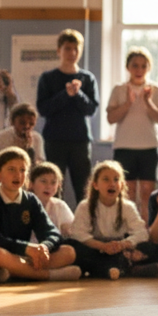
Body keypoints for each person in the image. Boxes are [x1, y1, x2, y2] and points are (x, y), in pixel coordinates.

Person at [0, 147, 80, 283]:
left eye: (22, 170)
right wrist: (25, 248)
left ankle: (17, 273)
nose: (17, 175)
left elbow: (52, 232)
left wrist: (44, 247)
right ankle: (48, 275)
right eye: (11, 169)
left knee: (68, 252)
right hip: (4, 254)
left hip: (25, 257)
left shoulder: (31, 200)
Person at [107, 47, 158, 223]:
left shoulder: (155, 90)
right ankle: (130, 229)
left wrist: (148, 102)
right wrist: (128, 103)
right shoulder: (119, 89)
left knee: (148, 192)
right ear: (128, 67)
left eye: (143, 66)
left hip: (149, 147)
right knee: (128, 192)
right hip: (124, 147)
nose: (139, 70)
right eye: (135, 65)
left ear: (149, 68)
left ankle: (147, 230)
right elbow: (111, 118)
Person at [36, 29, 99, 200]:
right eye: (67, 48)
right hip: (55, 140)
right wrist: (65, 94)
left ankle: (85, 218)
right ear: (59, 50)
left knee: (84, 189)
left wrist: (78, 94)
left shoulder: (88, 79)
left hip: (80, 141)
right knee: (53, 188)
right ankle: (54, 217)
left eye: (76, 49)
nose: (72, 53)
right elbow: (43, 109)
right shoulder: (48, 78)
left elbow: (91, 110)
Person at [70, 161, 158, 280]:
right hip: (95, 248)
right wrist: (102, 246)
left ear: (121, 185)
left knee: (148, 248)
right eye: (106, 179)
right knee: (75, 248)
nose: (112, 184)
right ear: (95, 185)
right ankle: (124, 269)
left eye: (116, 180)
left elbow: (142, 233)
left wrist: (123, 244)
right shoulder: (85, 206)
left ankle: (115, 268)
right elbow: (78, 234)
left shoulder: (128, 207)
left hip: (119, 249)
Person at [28, 161, 74, 238]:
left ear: (59, 185)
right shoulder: (23, 204)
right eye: (43, 181)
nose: (48, 186)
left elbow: (72, 232)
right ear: (31, 184)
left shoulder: (59, 205)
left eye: (53, 183)